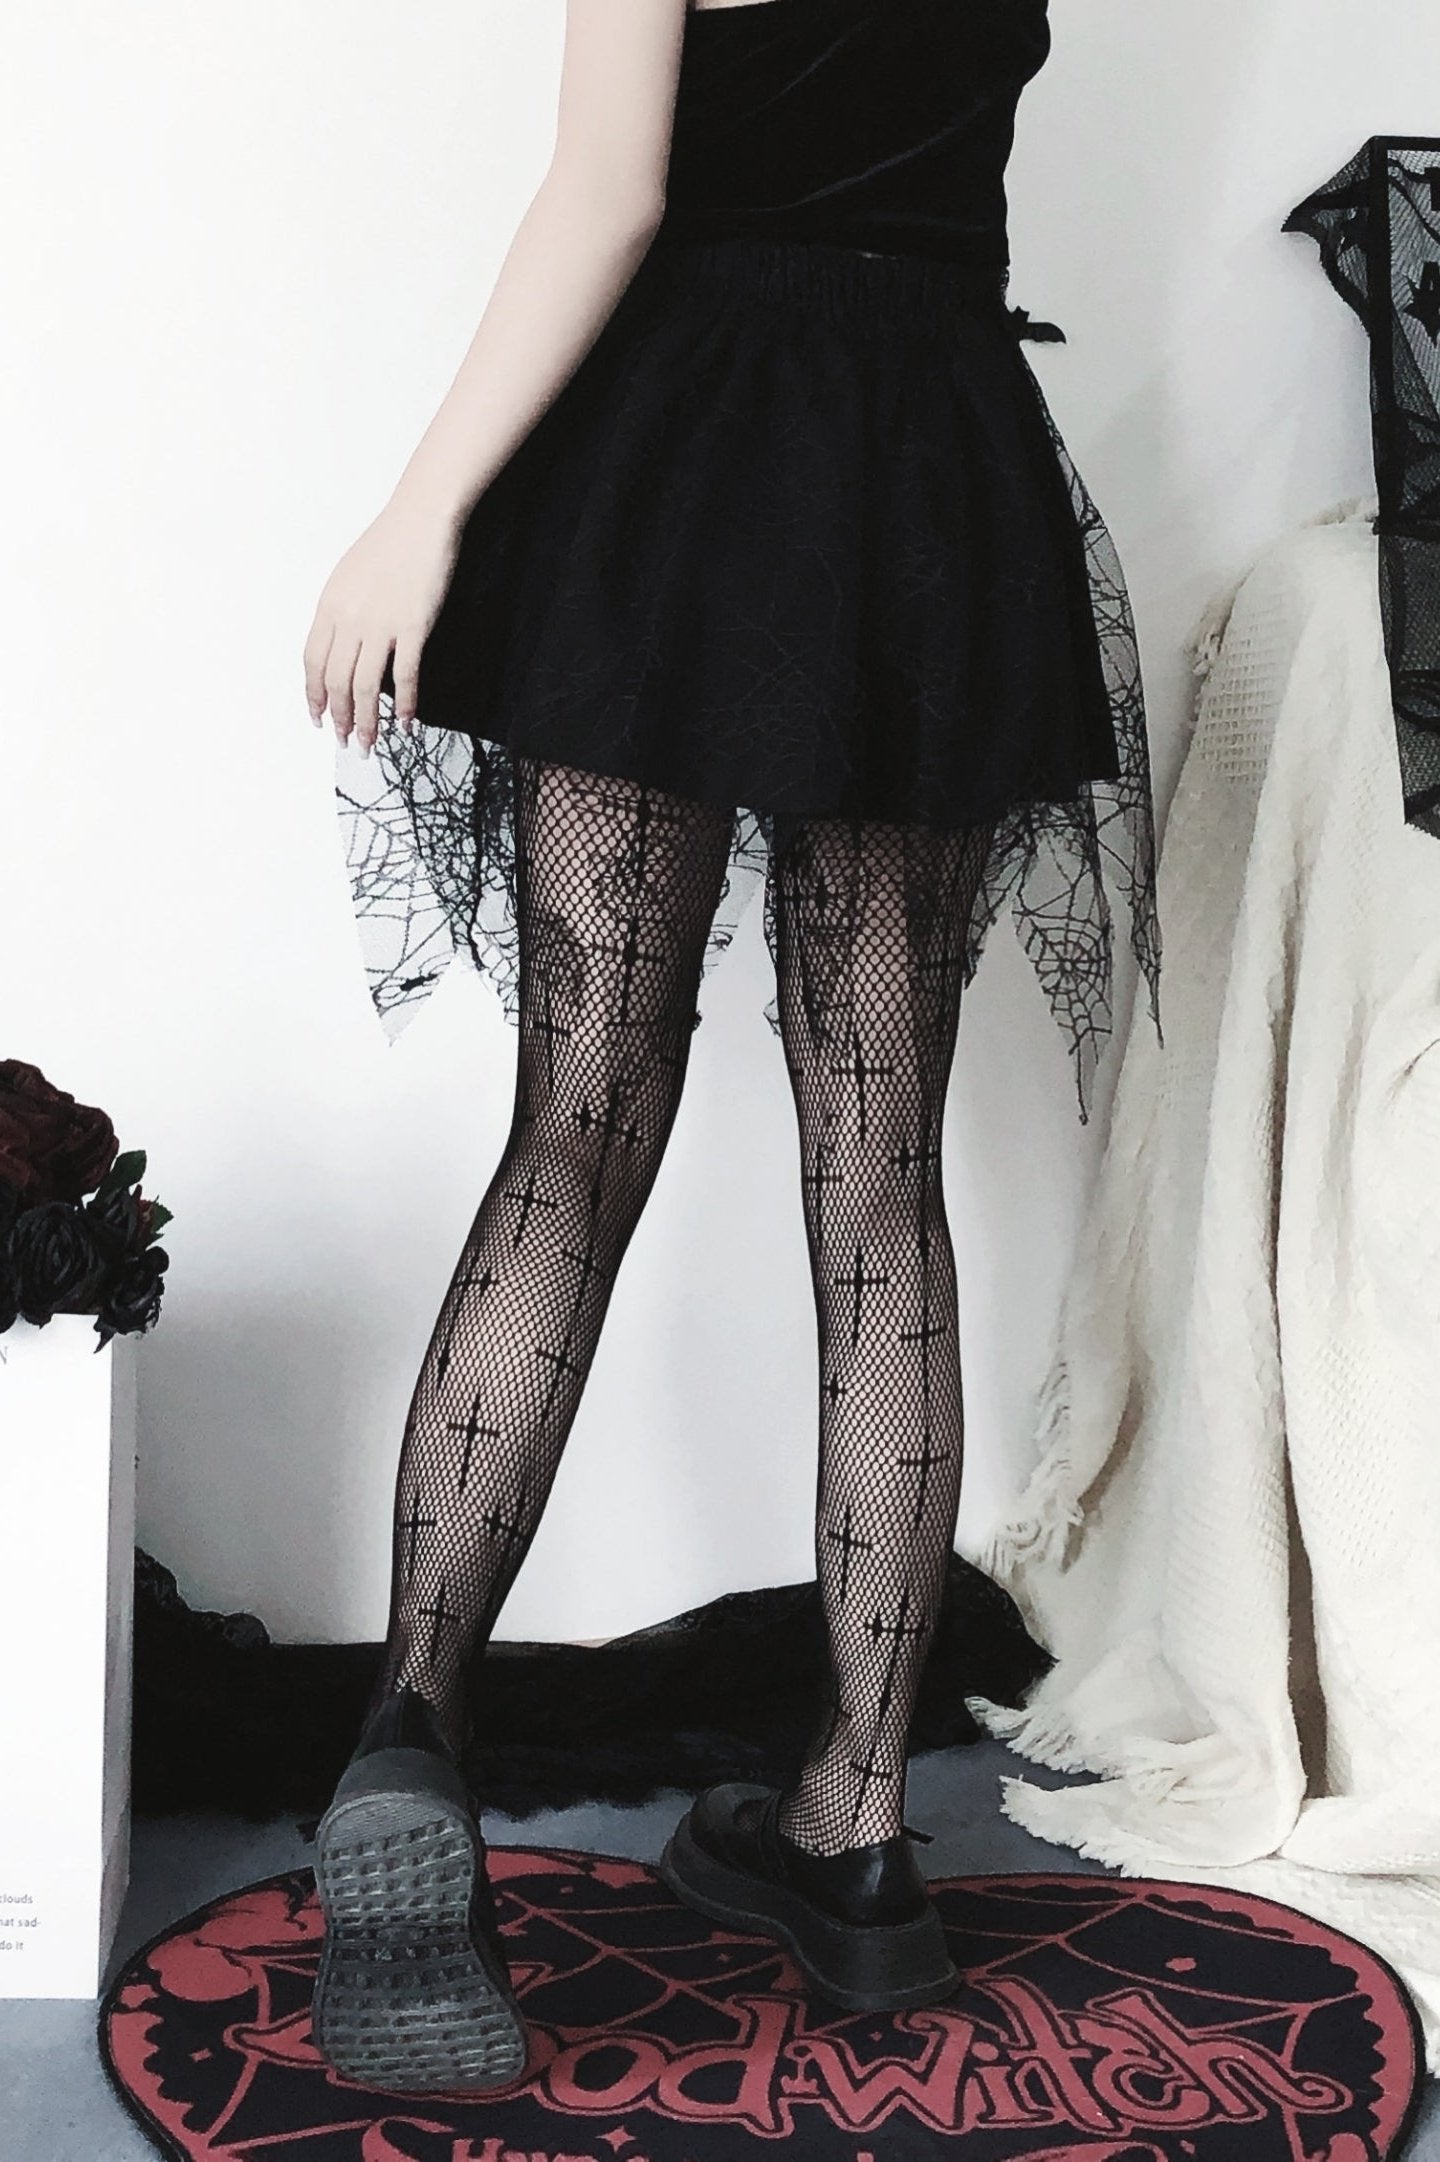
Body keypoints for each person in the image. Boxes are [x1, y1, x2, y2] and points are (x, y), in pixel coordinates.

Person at [302, 0, 1162, 2098]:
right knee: (879, 1191)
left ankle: (413, 1732)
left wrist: (419, 511)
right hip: (926, 482)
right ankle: (856, 1841)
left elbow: (610, 194)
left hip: (683, 470)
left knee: (575, 1134)